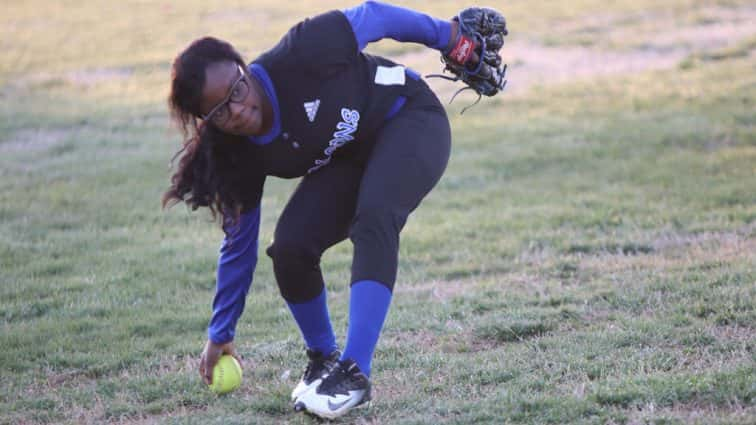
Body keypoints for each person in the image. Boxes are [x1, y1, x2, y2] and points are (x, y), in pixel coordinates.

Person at [164, 1, 504, 419]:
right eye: (218, 110)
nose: (237, 109)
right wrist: (221, 333)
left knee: (375, 216)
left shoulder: (301, 52)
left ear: (243, 67)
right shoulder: (236, 152)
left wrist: (449, 37)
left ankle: (355, 373)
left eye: (236, 88)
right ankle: (324, 361)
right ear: (205, 120)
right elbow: (238, 245)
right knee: (289, 247)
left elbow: (375, 16)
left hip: (410, 117)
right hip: (353, 153)